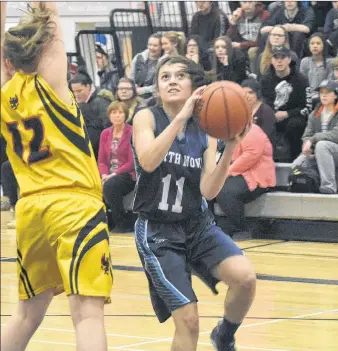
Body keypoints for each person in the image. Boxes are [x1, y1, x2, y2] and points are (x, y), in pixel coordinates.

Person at [0, 3, 113, 351]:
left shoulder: (5, 94)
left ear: (8, 62)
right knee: (87, 314)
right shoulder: (52, 84)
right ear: (46, 51)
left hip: (30, 209)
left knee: (26, 314)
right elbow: (52, 17)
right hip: (74, 204)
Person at [132, 55, 256, 351]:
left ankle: (224, 335)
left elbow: (209, 190)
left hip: (197, 226)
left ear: (193, 86)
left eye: (179, 75)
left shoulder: (206, 128)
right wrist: (179, 118)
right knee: (188, 321)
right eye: (165, 77)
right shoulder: (146, 117)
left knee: (246, 278)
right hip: (158, 232)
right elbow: (148, 161)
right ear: (157, 87)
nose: (172, 80)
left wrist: (230, 148)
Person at [293, 80, 338, 194]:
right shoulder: (314, 114)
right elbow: (306, 135)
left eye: (327, 92)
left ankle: (329, 186)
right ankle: (309, 185)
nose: (324, 95)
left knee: (322, 145)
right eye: (321, 92)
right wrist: (307, 147)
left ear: (335, 94)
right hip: (318, 150)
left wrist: (313, 139)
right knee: (297, 164)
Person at [98, 101, 136, 232]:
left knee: (111, 185)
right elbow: (101, 161)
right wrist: (104, 175)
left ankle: (122, 223)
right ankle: (102, 223)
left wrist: (113, 175)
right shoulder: (105, 133)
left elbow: (131, 163)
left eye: (120, 112)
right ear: (109, 115)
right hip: (108, 174)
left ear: (125, 115)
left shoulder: (132, 132)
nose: (117, 115)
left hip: (127, 174)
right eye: (114, 112)